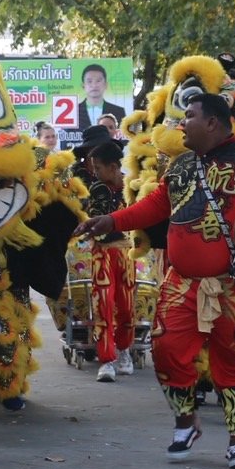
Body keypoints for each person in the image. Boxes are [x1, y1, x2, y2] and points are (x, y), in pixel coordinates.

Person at [74, 92, 235, 469]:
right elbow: (155, 206)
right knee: (165, 349)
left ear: (212, 123)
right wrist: (111, 221)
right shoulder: (181, 165)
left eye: (188, 116)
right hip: (182, 281)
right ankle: (186, 423)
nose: (180, 124)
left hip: (233, 283)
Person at [82, 140, 135, 383]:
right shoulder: (95, 189)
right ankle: (106, 359)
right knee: (103, 304)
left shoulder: (132, 186)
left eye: (98, 167)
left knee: (126, 307)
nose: (94, 172)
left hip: (126, 253)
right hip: (101, 253)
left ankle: (124, 350)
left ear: (113, 167)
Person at [78, 63, 126, 127]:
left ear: (106, 84)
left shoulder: (119, 111)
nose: (94, 85)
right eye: (89, 81)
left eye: (98, 81)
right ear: (83, 85)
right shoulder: (74, 111)